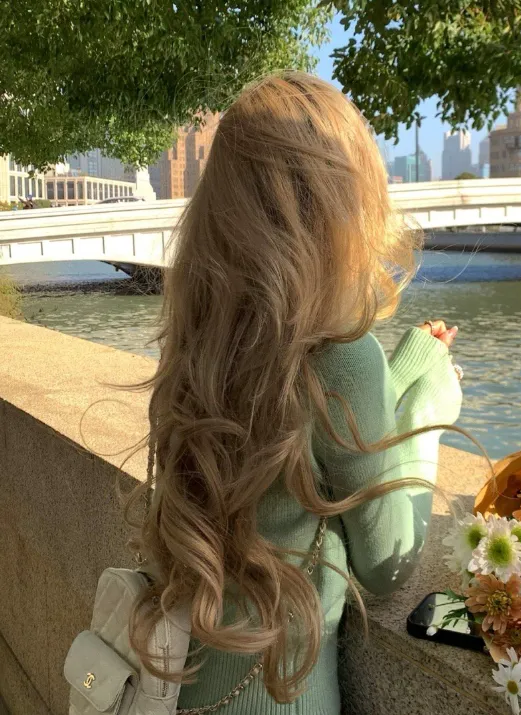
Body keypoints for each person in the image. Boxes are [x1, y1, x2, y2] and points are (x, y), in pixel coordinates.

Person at [129, 71, 463, 714]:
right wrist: (428, 414)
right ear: (347, 205)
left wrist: (406, 365)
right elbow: (388, 565)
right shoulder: (344, 359)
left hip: (180, 689)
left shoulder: (202, 345)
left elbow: (305, 427)